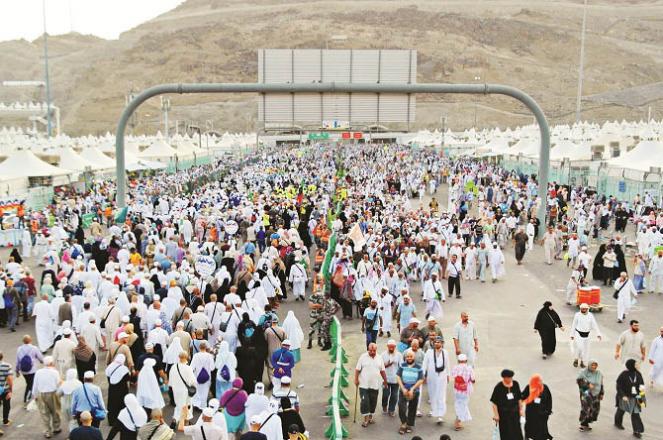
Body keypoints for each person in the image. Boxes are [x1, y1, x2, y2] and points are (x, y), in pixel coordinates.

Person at [354, 342, 387, 427]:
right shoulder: (362, 357)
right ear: (368, 349)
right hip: (363, 385)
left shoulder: (379, 358)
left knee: (373, 402)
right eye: (370, 350)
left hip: (375, 385)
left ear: (376, 350)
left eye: (374, 350)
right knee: (365, 402)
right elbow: (357, 369)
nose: (372, 352)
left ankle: (370, 417)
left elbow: (382, 370)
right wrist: (356, 379)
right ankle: (365, 419)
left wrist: (385, 380)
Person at [32, 356, 62, 438]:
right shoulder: (55, 372)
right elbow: (58, 384)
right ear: (51, 363)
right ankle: (56, 428)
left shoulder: (38, 372)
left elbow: (35, 385)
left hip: (41, 394)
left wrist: (34, 395)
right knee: (55, 412)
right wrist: (60, 395)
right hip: (53, 394)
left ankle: (47, 431)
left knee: (44, 413)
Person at [614, 359, 645, 438]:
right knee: (621, 410)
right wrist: (623, 395)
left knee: (635, 414)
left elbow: (641, 386)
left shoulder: (638, 374)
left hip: (635, 398)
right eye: (636, 364)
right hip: (625, 397)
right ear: (631, 365)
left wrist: (642, 398)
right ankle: (618, 423)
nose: (638, 366)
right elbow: (619, 386)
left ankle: (637, 430)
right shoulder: (624, 374)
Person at [422, 336, 450, 424]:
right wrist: (423, 374)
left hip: (442, 376)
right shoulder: (429, 352)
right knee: (432, 394)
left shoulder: (445, 352)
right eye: (435, 342)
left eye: (439, 342)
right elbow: (424, 364)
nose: (437, 343)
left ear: (442, 343)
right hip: (431, 376)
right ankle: (433, 410)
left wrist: (448, 375)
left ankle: (440, 415)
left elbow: (447, 364)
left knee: (441, 395)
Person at [396, 350, 424, 435]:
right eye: (407, 356)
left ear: (414, 357)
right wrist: (403, 388)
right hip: (403, 387)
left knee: (412, 407)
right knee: (401, 406)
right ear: (405, 357)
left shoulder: (418, 367)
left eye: (411, 356)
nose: (409, 358)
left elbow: (421, 379)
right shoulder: (402, 365)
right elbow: (398, 376)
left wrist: (412, 389)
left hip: (414, 388)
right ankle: (403, 423)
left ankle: (409, 425)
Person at [490, 369, 523, 440]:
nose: (511, 379)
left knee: (517, 431)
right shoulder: (498, 387)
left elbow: (519, 398)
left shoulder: (515, 384)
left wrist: (521, 410)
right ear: (504, 378)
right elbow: (494, 403)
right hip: (504, 415)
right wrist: (496, 415)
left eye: (511, 377)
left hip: (515, 414)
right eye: (509, 377)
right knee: (506, 432)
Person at [521, 374, 553, 440]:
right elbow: (522, 397)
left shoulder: (545, 388)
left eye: (541, 380)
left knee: (541, 431)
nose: (540, 382)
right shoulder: (529, 387)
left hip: (542, 414)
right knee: (530, 429)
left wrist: (548, 411)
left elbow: (549, 400)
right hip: (531, 415)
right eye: (538, 381)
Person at [169, 351, 195, 428]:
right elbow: (192, 381)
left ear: (179, 357)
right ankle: (186, 422)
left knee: (178, 405)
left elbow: (171, 380)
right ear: (186, 357)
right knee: (188, 405)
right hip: (185, 390)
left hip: (176, 390)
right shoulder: (188, 368)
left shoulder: (174, 367)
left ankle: (175, 419)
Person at [571, 304, 602, 368]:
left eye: (585, 309)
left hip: (587, 335)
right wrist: (572, 334)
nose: (583, 310)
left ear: (587, 309)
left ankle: (582, 362)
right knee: (580, 347)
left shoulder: (590, 315)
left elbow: (594, 325)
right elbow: (574, 324)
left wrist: (598, 334)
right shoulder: (577, 315)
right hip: (578, 334)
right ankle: (576, 359)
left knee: (586, 350)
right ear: (580, 309)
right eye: (582, 309)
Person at [577, 360, 604, 432]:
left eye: (595, 365)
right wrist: (588, 384)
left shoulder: (599, 373)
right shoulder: (583, 372)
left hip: (596, 394)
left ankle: (587, 423)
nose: (594, 367)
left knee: (594, 409)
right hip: (586, 393)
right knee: (586, 408)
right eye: (592, 365)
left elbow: (601, 384)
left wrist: (601, 393)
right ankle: (583, 424)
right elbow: (579, 381)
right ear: (589, 365)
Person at [16, 334, 43, 404]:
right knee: (30, 384)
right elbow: (40, 357)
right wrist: (42, 361)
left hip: (23, 370)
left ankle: (33, 397)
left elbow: (18, 361)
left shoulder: (19, 349)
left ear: (23, 341)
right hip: (32, 370)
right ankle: (27, 399)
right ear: (30, 340)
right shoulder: (34, 348)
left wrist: (17, 371)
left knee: (29, 383)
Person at [450, 353, 474, 431]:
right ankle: (458, 422)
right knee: (463, 404)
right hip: (466, 390)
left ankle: (458, 420)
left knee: (458, 403)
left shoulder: (455, 368)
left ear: (458, 361)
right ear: (466, 360)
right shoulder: (469, 368)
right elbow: (473, 379)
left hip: (457, 389)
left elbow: (453, 375)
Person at [106, 353, 131, 425]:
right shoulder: (124, 368)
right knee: (122, 404)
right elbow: (128, 378)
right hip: (122, 389)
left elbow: (108, 377)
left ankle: (111, 421)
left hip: (112, 389)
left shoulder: (110, 366)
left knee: (112, 405)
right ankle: (122, 421)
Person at [381, 339, 402, 417]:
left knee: (394, 395)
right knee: (386, 394)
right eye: (390, 347)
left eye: (393, 347)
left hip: (395, 379)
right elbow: (381, 367)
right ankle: (384, 405)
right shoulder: (383, 355)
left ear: (395, 347)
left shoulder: (399, 355)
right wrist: (388, 364)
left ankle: (391, 410)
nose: (391, 348)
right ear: (387, 346)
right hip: (385, 378)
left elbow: (401, 367)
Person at [0, 351, 13, 430]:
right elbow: (10, 379)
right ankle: (5, 421)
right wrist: (10, 391)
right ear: (2, 357)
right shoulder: (7, 366)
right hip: (5, 390)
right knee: (6, 405)